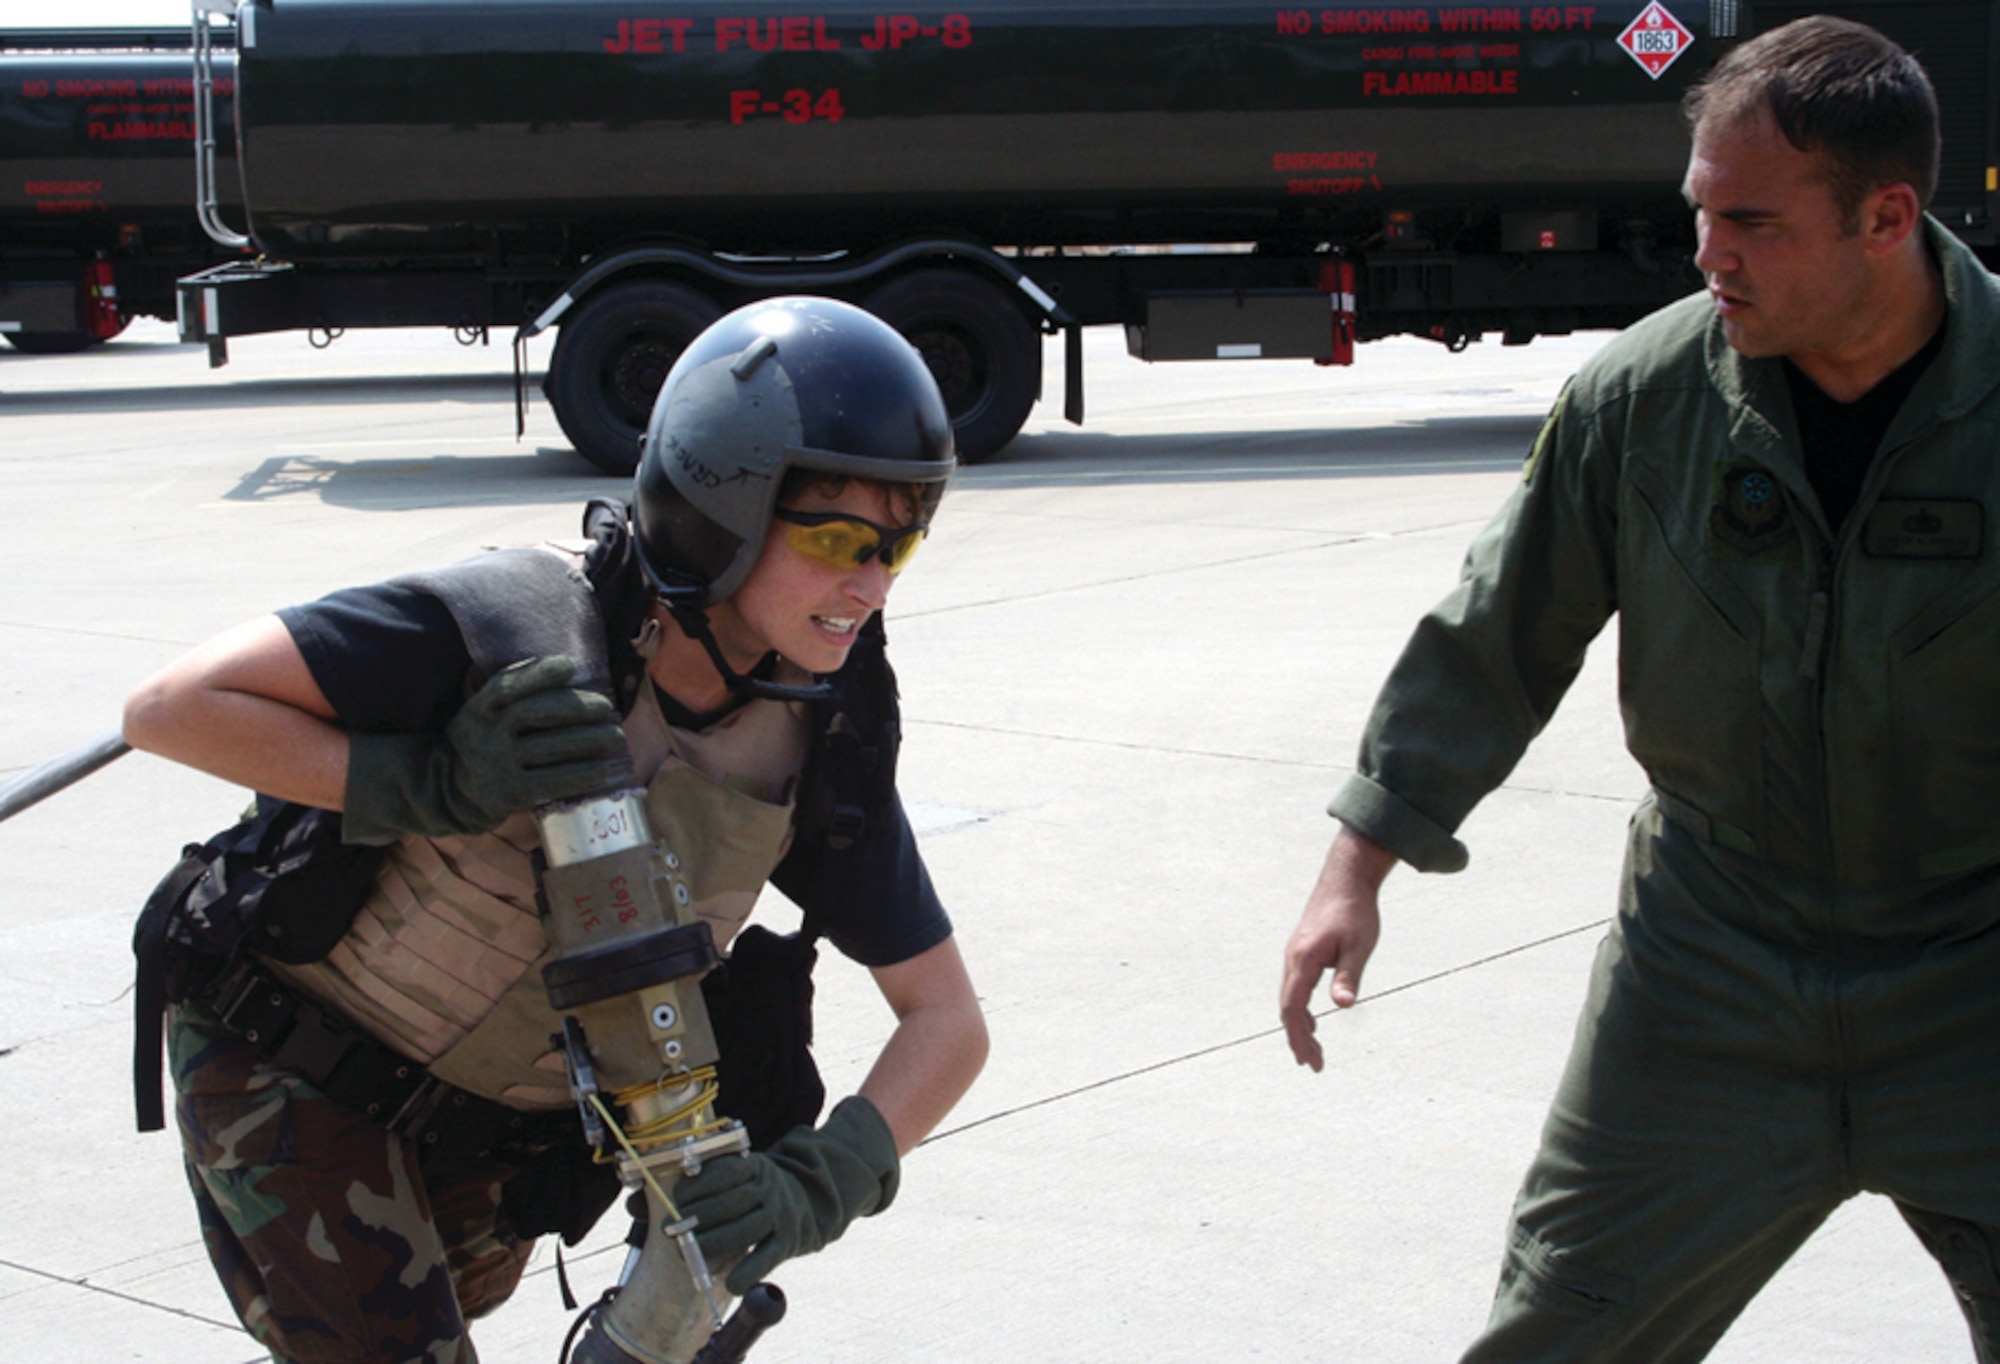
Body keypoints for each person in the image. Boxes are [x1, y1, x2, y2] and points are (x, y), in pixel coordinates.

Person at [1278, 16, 2000, 1360]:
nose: (1708, 253)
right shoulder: (1643, 401)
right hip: (1712, 966)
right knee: (1560, 1333)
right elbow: (1499, 630)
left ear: (1886, 216)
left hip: (1977, 968)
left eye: (1753, 221)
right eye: (1699, 213)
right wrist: (1357, 859)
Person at [122, 296, 989, 1363]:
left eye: (899, 547)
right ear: (722, 506)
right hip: (292, 1058)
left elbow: (946, 1016)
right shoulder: (512, 621)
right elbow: (170, 707)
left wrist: (820, 1180)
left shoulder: (817, 733)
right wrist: (429, 777)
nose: (868, 584)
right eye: (838, 538)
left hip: (483, 1132)